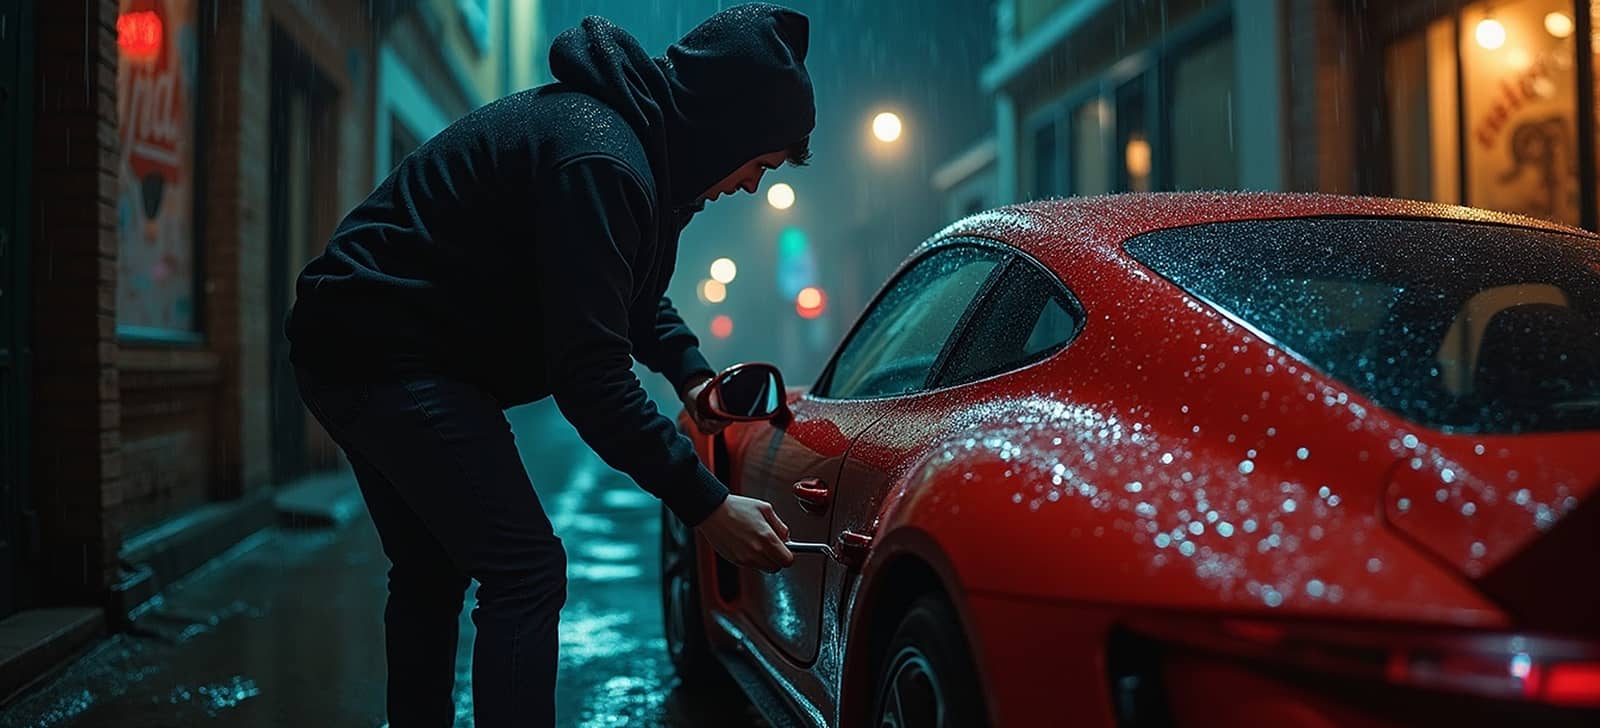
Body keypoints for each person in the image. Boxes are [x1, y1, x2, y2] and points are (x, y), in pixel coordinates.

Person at [284, 5, 811, 726]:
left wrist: (691, 375)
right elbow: (590, 378)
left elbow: (621, 291)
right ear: (731, 127)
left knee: (433, 569)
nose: (752, 185)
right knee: (524, 569)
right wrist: (707, 506)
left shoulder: (638, 156)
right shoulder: (602, 159)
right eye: (761, 164)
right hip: (381, 348)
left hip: (369, 341)